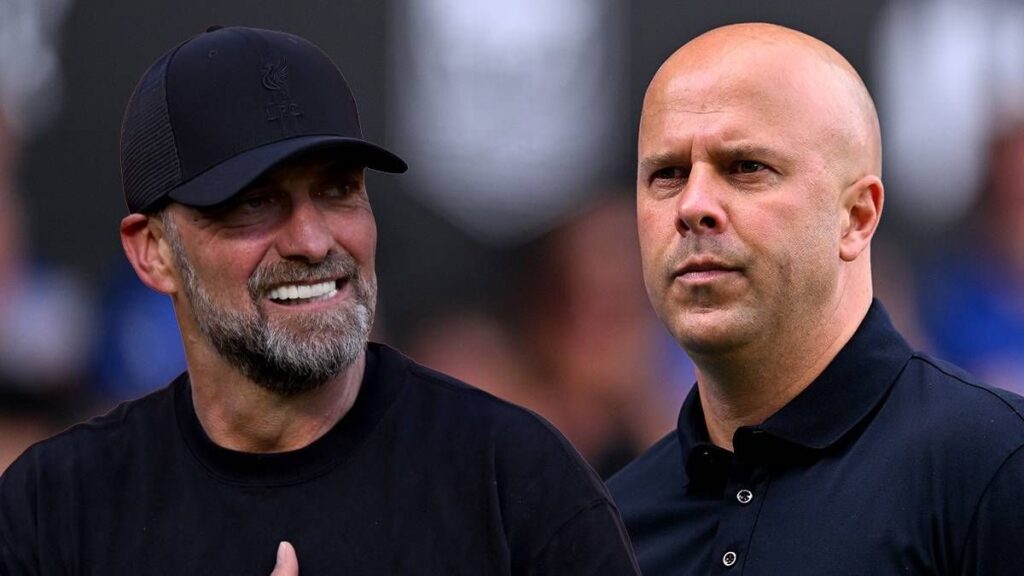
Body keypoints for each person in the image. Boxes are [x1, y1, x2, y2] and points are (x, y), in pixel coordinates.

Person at [0, 26, 640, 575]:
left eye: (338, 191)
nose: (312, 240)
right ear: (153, 252)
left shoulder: (514, 479)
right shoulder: (56, 507)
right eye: (254, 201)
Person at [608, 22, 1024, 576]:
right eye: (667, 174)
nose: (693, 204)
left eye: (746, 167)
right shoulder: (611, 523)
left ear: (857, 217)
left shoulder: (995, 467)